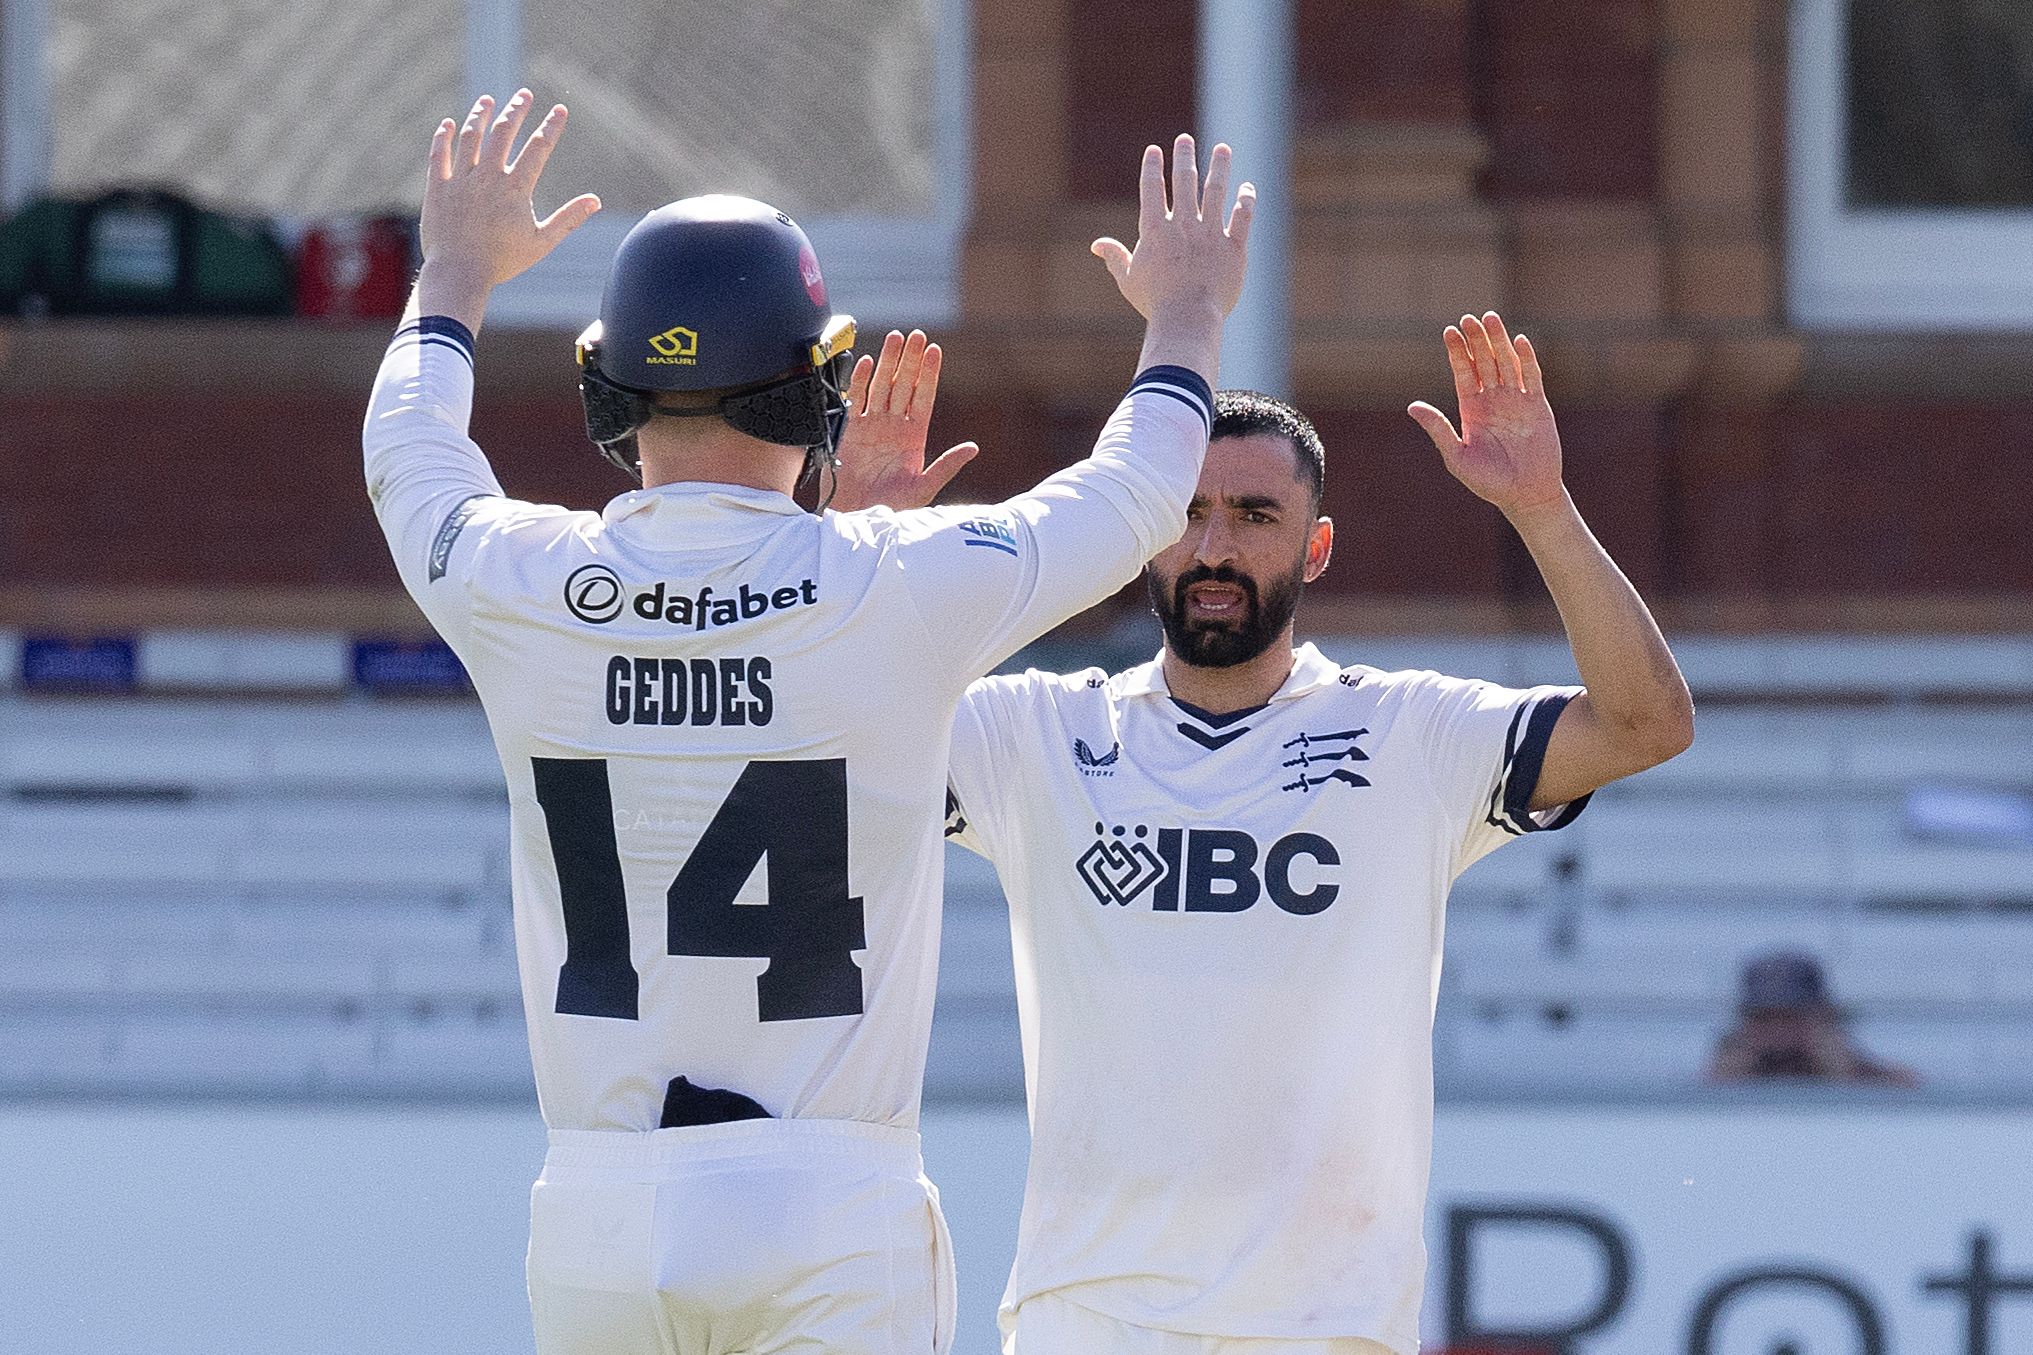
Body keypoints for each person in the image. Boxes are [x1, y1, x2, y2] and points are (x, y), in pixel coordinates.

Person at [362, 89, 1253, 1355]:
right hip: (827, 1205)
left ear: (608, 390)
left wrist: (452, 269)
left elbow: (406, 447)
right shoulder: (892, 583)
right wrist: (1187, 312)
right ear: (815, 388)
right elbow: (1140, 489)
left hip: (599, 1208)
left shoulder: (517, 577)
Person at [836, 314, 1695, 1355]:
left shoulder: (1409, 733)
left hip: (1326, 1329)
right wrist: (855, 550)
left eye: (1253, 515)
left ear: (1314, 547)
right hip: (1088, 1321)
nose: (1214, 548)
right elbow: (825, 726)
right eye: (1185, 513)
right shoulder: (1037, 734)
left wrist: (1540, 506)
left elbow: (1646, 723)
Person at [1707, 951, 1920, 1086]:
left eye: (1792, 1018)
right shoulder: (1732, 1069)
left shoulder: (1856, 1069)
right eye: (1765, 1019)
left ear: (1824, 1019)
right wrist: (1725, 1082)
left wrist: (1846, 1074)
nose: (1779, 1031)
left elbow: (1909, 1085)